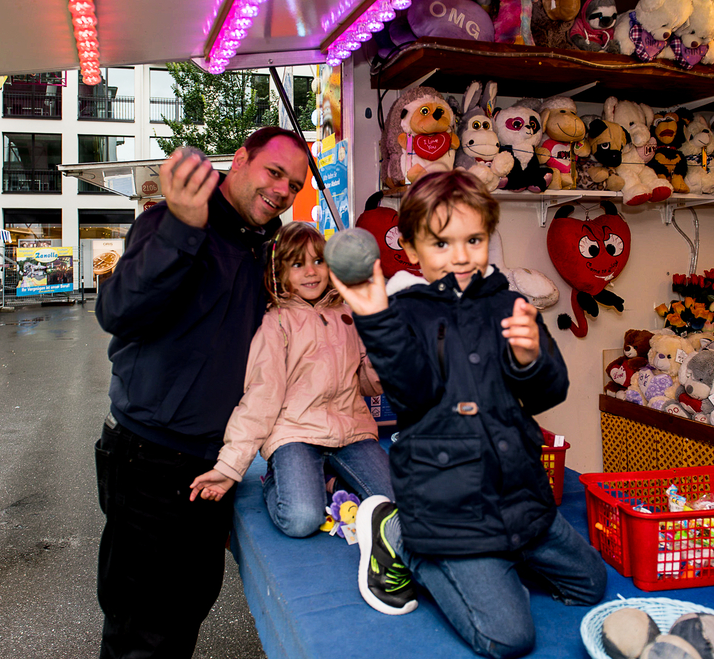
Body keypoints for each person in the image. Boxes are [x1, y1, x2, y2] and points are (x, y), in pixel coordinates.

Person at [330, 170, 607, 658]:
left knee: (590, 586)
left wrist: (530, 359)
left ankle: (499, 559)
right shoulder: (407, 311)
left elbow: (550, 392)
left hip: (519, 493)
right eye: (441, 243)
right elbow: (414, 395)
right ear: (413, 250)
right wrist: (376, 319)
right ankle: (404, 538)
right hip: (449, 505)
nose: (460, 256)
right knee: (509, 638)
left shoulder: (509, 302)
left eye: (473, 239)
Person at [94, 126, 310, 659]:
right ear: (239, 160)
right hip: (151, 459)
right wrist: (183, 230)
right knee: (141, 628)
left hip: (212, 465)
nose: (283, 190)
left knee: (186, 609)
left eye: (295, 183)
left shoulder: (264, 247)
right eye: (274, 172)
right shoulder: (171, 220)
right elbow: (116, 311)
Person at [187, 221, 394, 540]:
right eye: (297, 264)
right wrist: (229, 467)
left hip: (351, 430)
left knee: (395, 504)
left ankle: (330, 483)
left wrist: (383, 345)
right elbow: (260, 397)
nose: (310, 271)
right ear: (279, 272)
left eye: (318, 261)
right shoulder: (277, 322)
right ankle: (277, 480)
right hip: (295, 433)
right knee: (300, 519)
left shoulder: (348, 313)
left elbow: (370, 383)